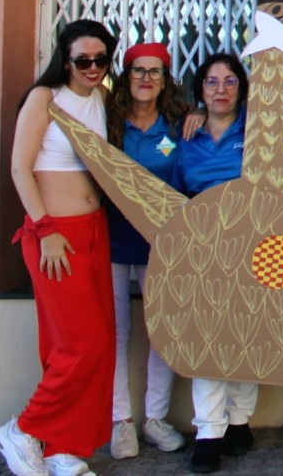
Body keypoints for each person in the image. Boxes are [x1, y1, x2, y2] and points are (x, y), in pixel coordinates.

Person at [0, 19, 117, 476]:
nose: (92, 67)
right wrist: (45, 230)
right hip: (55, 236)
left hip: (94, 231)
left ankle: (62, 447)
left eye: (101, 58)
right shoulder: (45, 98)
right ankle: (22, 429)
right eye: (83, 59)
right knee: (82, 346)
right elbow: (19, 168)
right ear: (65, 58)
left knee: (93, 345)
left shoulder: (102, 99)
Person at [104, 42, 189, 460]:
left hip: (161, 244)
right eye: (138, 70)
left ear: (165, 79)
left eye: (155, 71)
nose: (146, 78)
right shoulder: (108, 123)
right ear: (126, 76)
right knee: (115, 333)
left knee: (162, 331)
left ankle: (155, 418)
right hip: (111, 242)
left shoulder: (179, 125)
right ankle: (120, 421)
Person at [177, 53, 250, 474]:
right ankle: (208, 430)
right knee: (208, 333)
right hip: (200, 245)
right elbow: (174, 190)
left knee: (247, 329)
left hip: (252, 241)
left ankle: (239, 420)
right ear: (200, 90)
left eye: (230, 81)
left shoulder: (257, 129)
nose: (221, 89)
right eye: (211, 82)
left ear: (242, 87)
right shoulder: (186, 133)